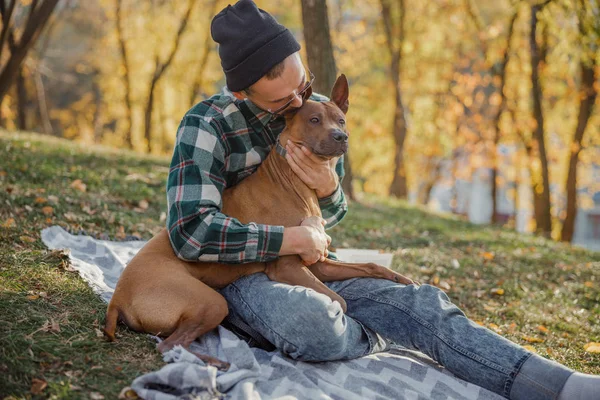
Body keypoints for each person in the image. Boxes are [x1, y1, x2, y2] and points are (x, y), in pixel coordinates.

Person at [165, 1, 600, 398]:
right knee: (313, 324)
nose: (301, 102)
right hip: (234, 276)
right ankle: (378, 330)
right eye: (284, 99)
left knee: (420, 302)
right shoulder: (208, 125)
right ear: (242, 93)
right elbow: (190, 232)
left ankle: (557, 386)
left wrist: (329, 189)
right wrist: (288, 241)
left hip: (305, 265)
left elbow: (328, 217)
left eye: (305, 85)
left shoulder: (314, 114)